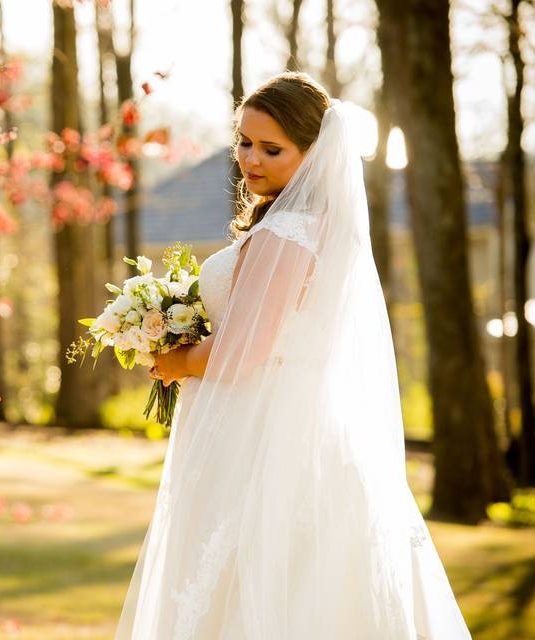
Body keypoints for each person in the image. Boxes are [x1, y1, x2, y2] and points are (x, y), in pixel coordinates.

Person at [115, 72, 472, 639]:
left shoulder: (288, 232)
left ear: (314, 153)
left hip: (266, 433)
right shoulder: (314, 226)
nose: (250, 159)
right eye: (244, 141)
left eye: (271, 148)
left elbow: (247, 348)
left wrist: (176, 362)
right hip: (293, 420)